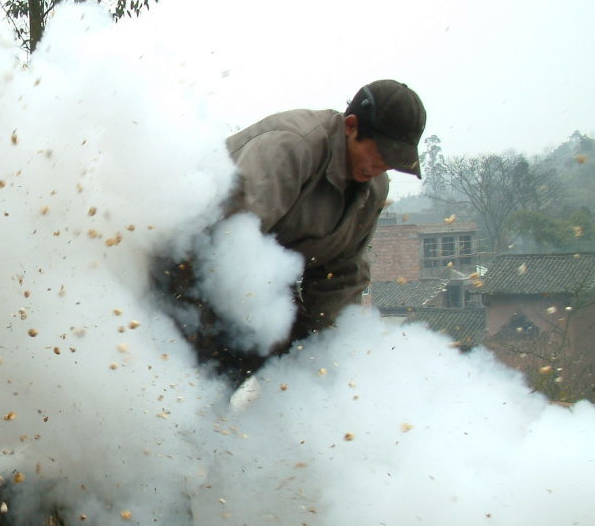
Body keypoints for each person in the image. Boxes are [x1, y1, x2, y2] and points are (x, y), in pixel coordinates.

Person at [154, 79, 427, 387]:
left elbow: (341, 275)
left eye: (390, 162)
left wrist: (322, 358)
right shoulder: (290, 147)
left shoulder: (374, 188)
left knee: (293, 354)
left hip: (259, 280)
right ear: (351, 126)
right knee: (235, 352)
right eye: (379, 154)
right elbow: (227, 241)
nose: (381, 167)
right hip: (190, 262)